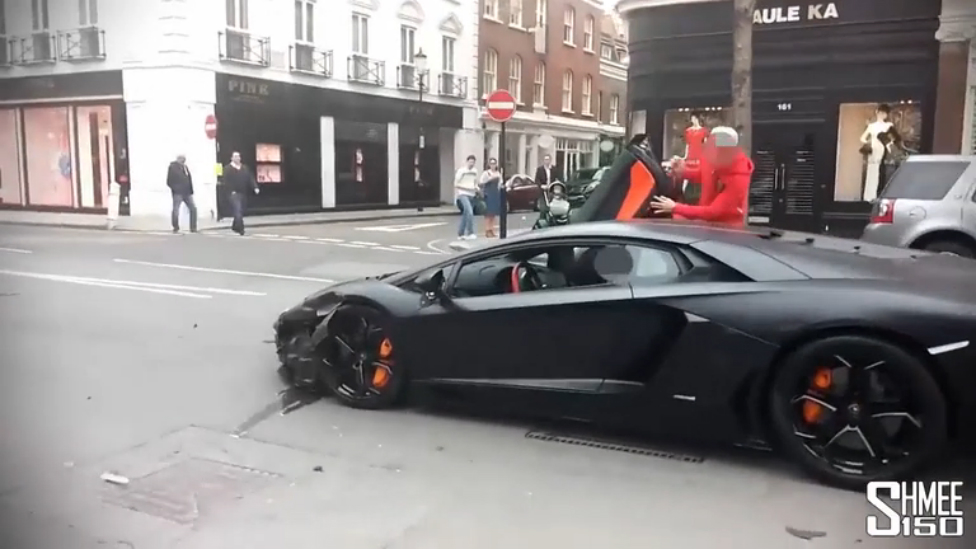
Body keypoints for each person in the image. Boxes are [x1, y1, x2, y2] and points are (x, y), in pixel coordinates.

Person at [650, 126, 753, 227]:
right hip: (706, 223)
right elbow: (704, 175)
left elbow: (714, 212)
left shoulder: (738, 177)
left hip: (726, 229)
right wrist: (682, 172)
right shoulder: (711, 157)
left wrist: (675, 207)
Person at [222, 151, 259, 235]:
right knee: (237, 209)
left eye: (238, 156)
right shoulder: (227, 169)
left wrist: (255, 187)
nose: (237, 158)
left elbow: (250, 178)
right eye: (235, 156)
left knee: (240, 210)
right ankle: (241, 229)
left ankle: (235, 226)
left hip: (243, 192)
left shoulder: (244, 168)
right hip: (233, 193)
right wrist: (230, 191)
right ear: (232, 158)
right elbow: (225, 181)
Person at [167, 154, 197, 233]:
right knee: (176, 210)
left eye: (184, 159)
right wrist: (176, 188)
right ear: (178, 159)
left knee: (193, 209)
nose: (183, 161)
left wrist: (191, 190)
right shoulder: (172, 167)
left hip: (187, 192)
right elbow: (169, 181)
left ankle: (193, 227)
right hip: (178, 193)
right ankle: (175, 226)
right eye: (182, 159)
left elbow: (189, 179)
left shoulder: (185, 167)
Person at [453, 155, 479, 240]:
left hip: (472, 195)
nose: (471, 164)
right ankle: (470, 232)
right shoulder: (461, 171)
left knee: (466, 214)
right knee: (470, 212)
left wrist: (476, 188)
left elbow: (475, 182)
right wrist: (467, 188)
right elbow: (456, 184)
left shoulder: (475, 171)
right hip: (463, 194)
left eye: (473, 162)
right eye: (470, 162)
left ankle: (460, 234)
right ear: (467, 162)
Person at [480, 158, 503, 238]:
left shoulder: (498, 173)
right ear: (489, 165)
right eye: (491, 163)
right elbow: (481, 182)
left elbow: (500, 183)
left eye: (494, 163)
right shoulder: (486, 173)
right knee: (488, 213)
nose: (493, 165)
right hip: (488, 193)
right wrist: (489, 179)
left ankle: (492, 230)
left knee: (493, 213)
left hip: (495, 193)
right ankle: (487, 230)